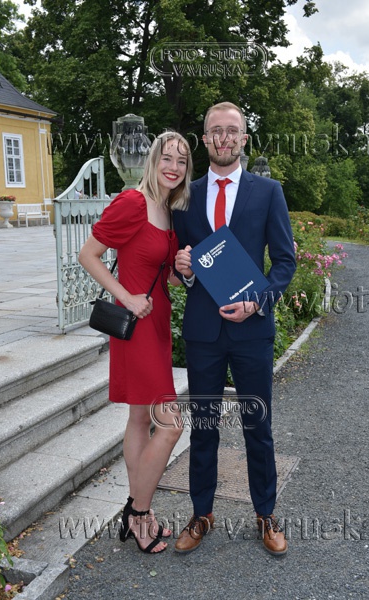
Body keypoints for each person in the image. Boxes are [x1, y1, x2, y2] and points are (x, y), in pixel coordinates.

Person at [173, 102, 296, 556]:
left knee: (257, 426)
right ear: (204, 139)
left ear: (243, 138)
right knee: (203, 427)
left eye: (232, 131)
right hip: (203, 333)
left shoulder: (269, 192)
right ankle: (201, 513)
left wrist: (258, 302)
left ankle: (266, 514)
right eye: (215, 131)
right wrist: (183, 268)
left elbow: (284, 262)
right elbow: (179, 262)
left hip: (252, 330)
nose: (223, 138)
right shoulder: (185, 196)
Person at [79, 131, 193, 554]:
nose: (174, 167)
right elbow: (87, 255)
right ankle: (138, 513)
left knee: (139, 420)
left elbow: (167, 277)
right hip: (136, 326)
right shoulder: (132, 202)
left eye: (182, 161)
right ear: (153, 160)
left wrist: (183, 269)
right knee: (172, 425)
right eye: (167, 158)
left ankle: (139, 510)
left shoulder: (169, 210)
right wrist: (125, 296)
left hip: (158, 325)